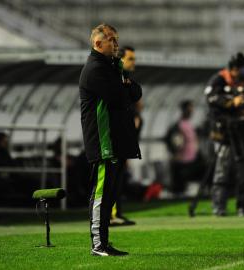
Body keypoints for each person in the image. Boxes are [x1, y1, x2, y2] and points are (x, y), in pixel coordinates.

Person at [79, 23, 142, 256]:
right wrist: (125, 87)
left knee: (111, 195)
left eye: (116, 40)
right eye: (112, 40)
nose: (116, 44)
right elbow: (119, 98)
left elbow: (136, 92)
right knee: (101, 194)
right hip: (103, 143)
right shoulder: (96, 69)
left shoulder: (112, 67)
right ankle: (98, 245)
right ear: (98, 43)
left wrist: (125, 86)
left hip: (115, 141)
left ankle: (104, 242)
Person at [205, 52, 244, 216]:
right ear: (234, 69)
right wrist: (231, 102)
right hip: (225, 133)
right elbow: (211, 99)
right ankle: (219, 207)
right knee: (222, 170)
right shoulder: (219, 80)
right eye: (243, 68)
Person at [110, 45, 141, 226]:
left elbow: (137, 93)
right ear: (121, 60)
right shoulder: (112, 78)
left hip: (123, 138)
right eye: (131, 59)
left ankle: (117, 213)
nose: (134, 62)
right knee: (112, 178)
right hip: (112, 138)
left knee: (119, 178)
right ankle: (111, 215)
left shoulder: (126, 78)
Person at [166, 100, 203, 195]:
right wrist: (175, 153)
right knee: (180, 187)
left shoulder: (190, 124)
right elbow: (170, 140)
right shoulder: (178, 125)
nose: (191, 112)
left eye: (192, 109)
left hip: (193, 159)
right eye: (189, 109)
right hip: (182, 161)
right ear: (183, 110)